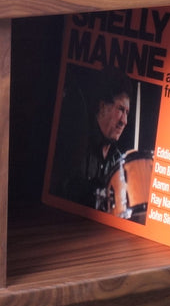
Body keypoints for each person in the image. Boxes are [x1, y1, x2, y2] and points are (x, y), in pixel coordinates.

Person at [51, 72, 133, 212]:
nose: (124, 121)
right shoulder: (74, 141)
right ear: (102, 107)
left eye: (127, 113)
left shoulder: (118, 160)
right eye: (120, 109)